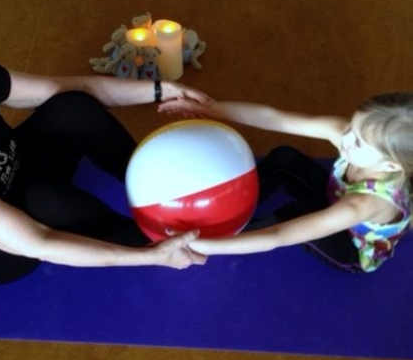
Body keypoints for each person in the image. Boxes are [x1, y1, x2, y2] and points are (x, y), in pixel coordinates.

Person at [0, 13, 210, 285]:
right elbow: (37, 241)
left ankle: (159, 191)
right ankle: (157, 238)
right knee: (49, 200)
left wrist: (162, 90)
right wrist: (151, 256)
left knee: (71, 107)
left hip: (21, 175)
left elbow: (73, 87)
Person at [158, 93, 413, 273]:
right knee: (284, 157)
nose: (345, 137)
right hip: (335, 197)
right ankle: (235, 203)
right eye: (351, 128)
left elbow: (278, 236)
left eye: (358, 142)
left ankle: (225, 232)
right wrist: (210, 108)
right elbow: (273, 118)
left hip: (352, 248)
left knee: (292, 216)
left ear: (390, 166)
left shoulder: (363, 204)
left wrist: (202, 244)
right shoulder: (350, 138)